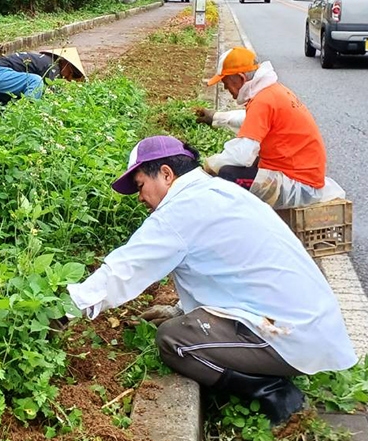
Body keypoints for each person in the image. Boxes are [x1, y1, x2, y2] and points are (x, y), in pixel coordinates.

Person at [66, 135, 357, 425]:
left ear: (166, 174)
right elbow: (228, 271)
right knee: (183, 324)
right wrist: (181, 308)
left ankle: (275, 393)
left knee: (174, 340)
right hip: (312, 323)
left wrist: (63, 309)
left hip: (293, 335)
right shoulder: (220, 192)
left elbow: (122, 271)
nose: (140, 198)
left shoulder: (178, 212)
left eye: (141, 186)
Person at [198, 47, 344, 209]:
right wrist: (216, 117)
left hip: (299, 185)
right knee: (251, 162)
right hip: (305, 177)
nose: (226, 89)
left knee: (228, 174)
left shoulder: (262, 102)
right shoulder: (272, 92)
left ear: (240, 78)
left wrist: (209, 165)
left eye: (226, 84)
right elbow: (250, 120)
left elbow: (241, 155)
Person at [0, 47, 86, 117]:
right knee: (36, 82)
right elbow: (52, 95)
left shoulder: (43, 61)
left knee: (6, 110)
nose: (70, 79)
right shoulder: (53, 66)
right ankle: (25, 116)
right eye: (73, 74)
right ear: (64, 63)